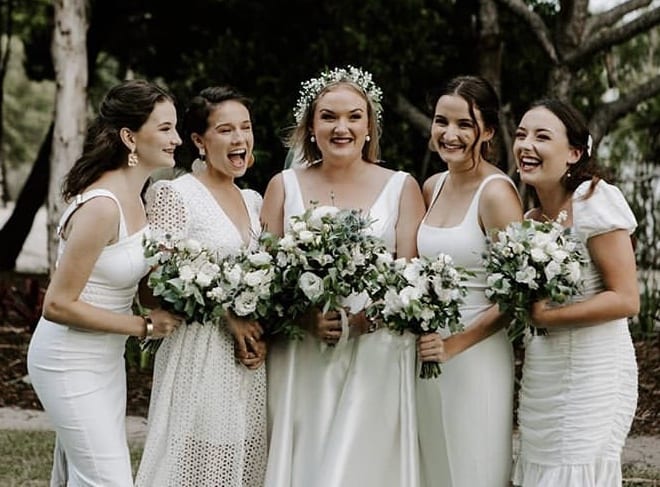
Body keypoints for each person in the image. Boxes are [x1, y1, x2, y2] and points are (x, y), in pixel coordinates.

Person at [261, 66, 426, 487]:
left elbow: (410, 279)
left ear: (369, 127)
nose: (342, 128)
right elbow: (264, 276)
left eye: (354, 117)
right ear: (310, 127)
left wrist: (365, 321)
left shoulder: (403, 187)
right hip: (303, 352)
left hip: (377, 351)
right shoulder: (283, 186)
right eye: (329, 117)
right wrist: (304, 318)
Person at [26, 79, 184, 486]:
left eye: (176, 128)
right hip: (67, 359)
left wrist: (180, 275)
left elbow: (136, 284)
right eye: (165, 128)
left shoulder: (141, 199)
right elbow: (57, 305)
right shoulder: (102, 206)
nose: (177, 139)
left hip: (105, 360)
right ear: (130, 137)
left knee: (84, 477)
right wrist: (144, 327)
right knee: (109, 479)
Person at [135, 86, 268, 487]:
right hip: (197, 352)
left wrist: (260, 332)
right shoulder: (175, 194)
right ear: (199, 141)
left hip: (246, 360)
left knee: (240, 465)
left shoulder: (254, 201)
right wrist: (225, 313)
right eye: (225, 130)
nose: (240, 138)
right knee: (195, 464)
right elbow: (152, 285)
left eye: (245, 127)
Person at [511, 99, 639, 487]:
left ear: (574, 153)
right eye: (521, 135)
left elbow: (626, 298)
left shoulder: (593, 199)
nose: (526, 145)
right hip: (543, 372)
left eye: (542, 137)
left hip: (593, 370)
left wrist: (547, 317)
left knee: (577, 469)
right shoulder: (529, 221)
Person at [415, 75, 524, 487]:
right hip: (427, 351)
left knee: (473, 466)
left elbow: (517, 292)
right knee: (434, 467)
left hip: (476, 353)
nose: (450, 134)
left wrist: (455, 344)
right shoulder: (432, 186)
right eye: (442, 121)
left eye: (465, 124)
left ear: (488, 131)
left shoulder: (496, 194)